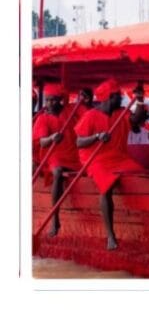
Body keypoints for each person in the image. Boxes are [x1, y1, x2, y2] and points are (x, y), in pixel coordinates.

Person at [74, 79, 142, 249]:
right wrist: (97, 137)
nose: (121, 99)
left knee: (142, 174)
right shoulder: (90, 115)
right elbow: (79, 143)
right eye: (118, 96)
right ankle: (110, 236)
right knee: (106, 187)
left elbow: (136, 120)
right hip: (95, 158)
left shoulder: (121, 112)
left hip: (119, 157)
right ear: (108, 98)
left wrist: (140, 99)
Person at [32, 85, 83, 237]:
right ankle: (55, 218)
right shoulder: (43, 118)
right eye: (47, 101)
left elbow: (86, 113)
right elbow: (41, 142)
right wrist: (52, 138)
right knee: (58, 171)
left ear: (60, 101)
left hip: (73, 155)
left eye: (52, 100)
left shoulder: (70, 111)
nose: (49, 104)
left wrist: (83, 99)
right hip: (52, 155)